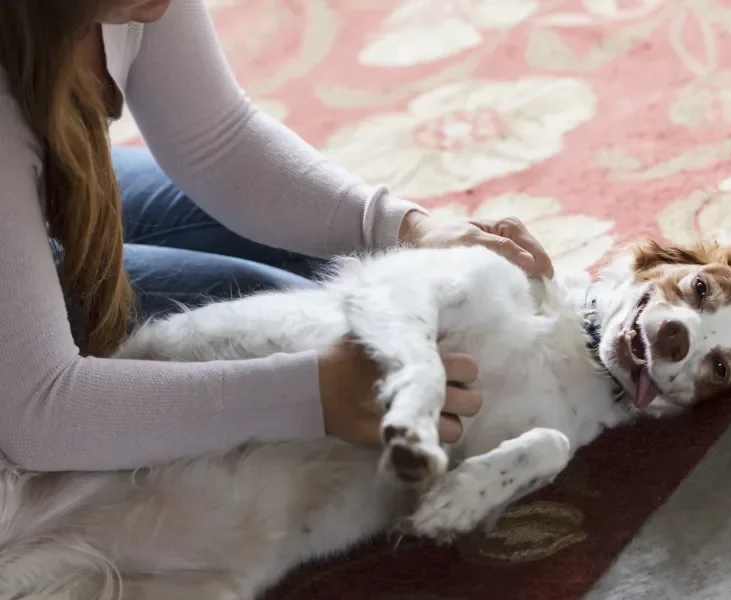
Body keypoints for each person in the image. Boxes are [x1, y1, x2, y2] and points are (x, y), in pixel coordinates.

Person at [0, 0, 554, 472]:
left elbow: (219, 144)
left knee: (332, 276)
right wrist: (316, 394)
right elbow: (40, 412)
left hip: (30, 176)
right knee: (276, 316)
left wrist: (407, 229)